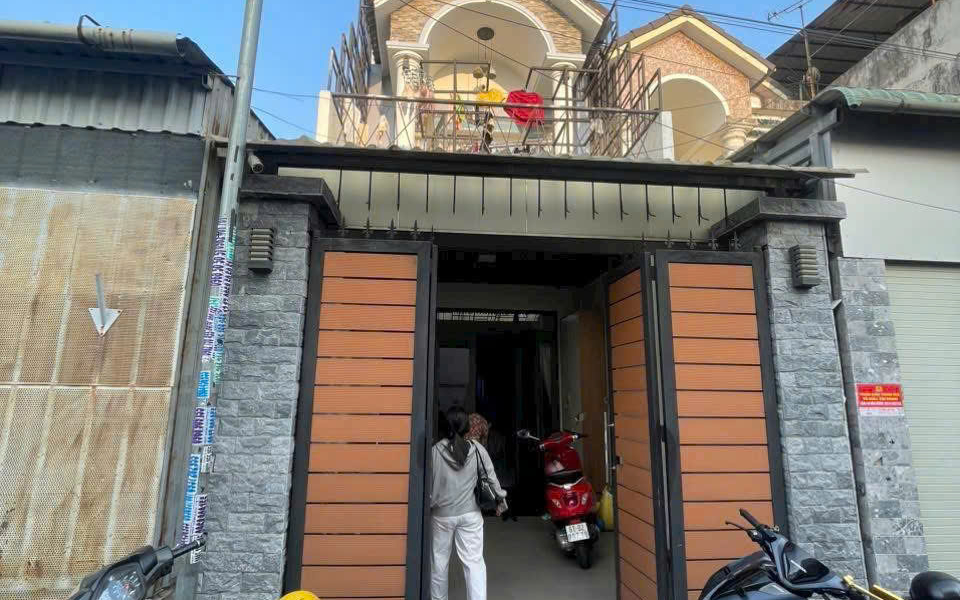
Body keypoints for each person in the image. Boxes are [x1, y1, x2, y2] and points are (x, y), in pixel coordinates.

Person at [431, 406, 507, 600]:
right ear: (467, 427)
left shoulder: (435, 451)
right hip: (470, 515)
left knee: (439, 564)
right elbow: (491, 478)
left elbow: (428, 485)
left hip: (441, 516)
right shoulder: (477, 449)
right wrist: (501, 500)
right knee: (474, 564)